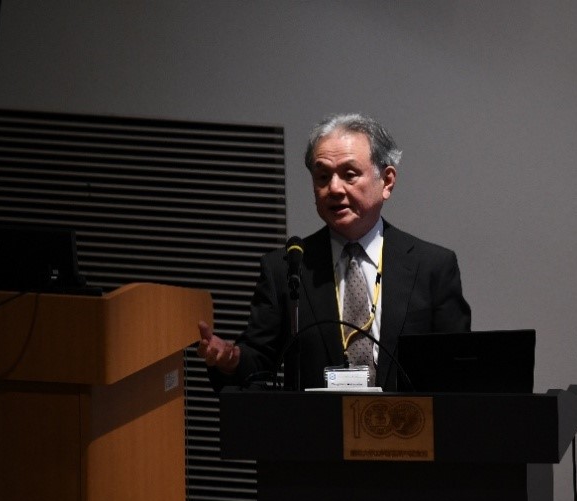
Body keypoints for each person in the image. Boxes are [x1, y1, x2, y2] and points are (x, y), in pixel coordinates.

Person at [197, 113, 471, 391]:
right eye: (323, 177)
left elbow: (457, 368)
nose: (334, 188)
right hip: (316, 419)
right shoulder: (288, 268)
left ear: (387, 181)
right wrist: (230, 360)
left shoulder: (432, 267)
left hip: (407, 418)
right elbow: (257, 361)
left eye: (349, 175)